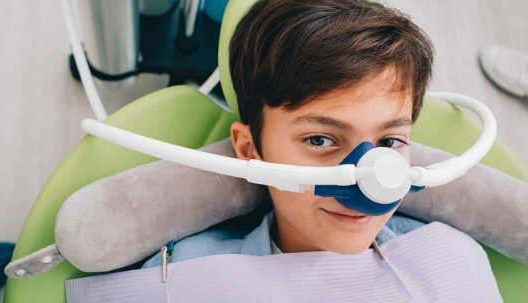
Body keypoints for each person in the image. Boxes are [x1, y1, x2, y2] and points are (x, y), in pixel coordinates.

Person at [142, 0, 501, 299]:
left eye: (389, 142)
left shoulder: (452, 259)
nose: (367, 181)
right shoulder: (183, 277)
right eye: (320, 140)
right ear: (250, 149)